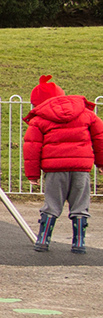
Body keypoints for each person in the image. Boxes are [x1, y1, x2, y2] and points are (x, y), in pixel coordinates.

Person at [22, 75, 102, 253]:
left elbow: (32, 148)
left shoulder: (39, 120)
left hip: (54, 170)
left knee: (52, 204)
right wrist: (101, 162)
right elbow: (99, 138)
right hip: (81, 168)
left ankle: (43, 240)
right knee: (81, 204)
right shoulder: (86, 113)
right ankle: (79, 243)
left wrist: (33, 174)